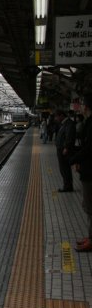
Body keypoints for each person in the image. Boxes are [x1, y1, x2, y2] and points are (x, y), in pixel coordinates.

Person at [70, 95, 92, 251]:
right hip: (88, 170)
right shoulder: (88, 123)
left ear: (87, 107)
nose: (80, 106)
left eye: (82, 104)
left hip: (91, 172)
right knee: (88, 206)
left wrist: (73, 158)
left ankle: (91, 241)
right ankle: (90, 237)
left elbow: (89, 148)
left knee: (90, 206)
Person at [55, 109, 76, 192]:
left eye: (57, 116)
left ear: (61, 116)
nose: (56, 119)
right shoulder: (64, 124)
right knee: (64, 168)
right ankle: (67, 185)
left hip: (63, 150)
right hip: (61, 149)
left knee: (65, 168)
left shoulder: (69, 124)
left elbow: (69, 136)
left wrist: (66, 148)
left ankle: (67, 187)